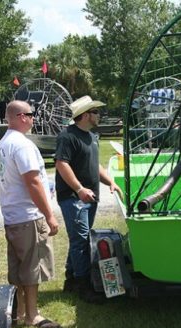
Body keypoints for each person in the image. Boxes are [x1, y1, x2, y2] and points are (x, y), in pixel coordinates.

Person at [0, 100, 61, 328]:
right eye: (31, 115)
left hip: (12, 216)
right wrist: (49, 215)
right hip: (28, 216)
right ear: (22, 116)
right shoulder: (22, 145)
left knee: (19, 268)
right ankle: (32, 315)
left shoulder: (2, 144)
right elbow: (33, 182)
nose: (33, 118)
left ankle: (21, 311)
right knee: (32, 268)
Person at [55, 95, 123, 303]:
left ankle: (71, 279)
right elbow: (61, 164)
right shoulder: (68, 136)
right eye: (95, 112)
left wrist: (110, 181)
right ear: (85, 115)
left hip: (90, 197)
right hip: (73, 198)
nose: (99, 115)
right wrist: (79, 189)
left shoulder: (92, 137)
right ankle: (84, 286)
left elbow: (95, 166)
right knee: (81, 241)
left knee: (79, 239)